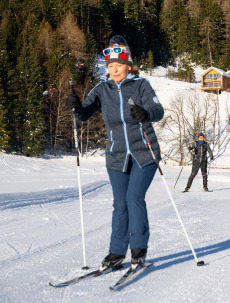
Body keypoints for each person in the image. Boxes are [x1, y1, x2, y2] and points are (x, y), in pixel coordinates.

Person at [66, 35, 164, 269]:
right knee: (120, 204)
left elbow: (157, 110)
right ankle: (116, 253)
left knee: (134, 198)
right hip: (117, 155)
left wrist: (145, 114)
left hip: (144, 152)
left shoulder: (141, 85)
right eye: (111, 66)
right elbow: (83, 115)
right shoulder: (102, 90)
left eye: (119, 64)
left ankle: (138, 250)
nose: (115, 69)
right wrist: (75, 107)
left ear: (128, 65)